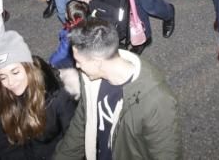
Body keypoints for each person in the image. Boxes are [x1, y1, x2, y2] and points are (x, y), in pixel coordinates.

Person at [54, 18, 180, 159]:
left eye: (78, 61)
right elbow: (81, 122)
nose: (77, 66)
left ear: (97, 62)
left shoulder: (157, 102)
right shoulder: (90, 80)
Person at [0, 30, 78, 159]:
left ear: (28, 68)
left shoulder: (56, 93)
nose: (10, 82)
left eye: (15, 72)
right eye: (3, 77)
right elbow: (1, 144)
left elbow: (73, 137)